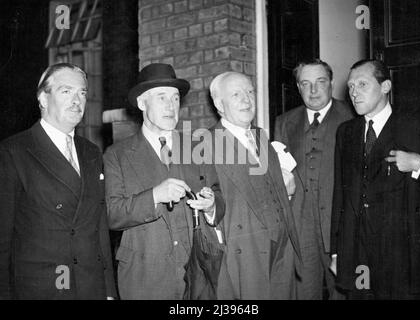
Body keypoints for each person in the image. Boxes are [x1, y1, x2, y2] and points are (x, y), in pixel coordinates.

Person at [103, 63, 224, 300]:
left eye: (175, 98)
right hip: (145, 279)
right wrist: (154, 196)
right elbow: (111, 214)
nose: (171, 106)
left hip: (198, 276)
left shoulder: (197, 147)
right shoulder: (116, 155)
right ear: (141, 103)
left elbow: (219, 196)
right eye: (161, 98)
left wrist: (211, 206)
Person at [0, 63, 117, 300]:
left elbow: (99, 227)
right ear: (43, 99)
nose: (77, 100)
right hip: (41, 289)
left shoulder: (92, 152)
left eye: (82, 93)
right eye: (66, 91)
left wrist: (108, 291)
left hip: (90, 288)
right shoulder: (14, 151)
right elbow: (3, 239)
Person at [331, 59, 420, 299]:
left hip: (401, 254)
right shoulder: (346, 132)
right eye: (351, 86)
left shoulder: (415, 125)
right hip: (358, 252)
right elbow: (340, 194)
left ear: (385, 86)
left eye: (362, 84)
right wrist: (336, 251)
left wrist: (419, 164)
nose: (354, 93)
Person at [208, 71, 301, 299]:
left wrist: (288, 192)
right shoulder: (206, 145)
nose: (247, 100)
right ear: (220, 104)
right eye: (237, 94)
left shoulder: (262, 138)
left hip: (281, 251)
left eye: (250, 92)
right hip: (243, 258)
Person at [274, 59, 354, 299]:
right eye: (305, 84)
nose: (313, 90)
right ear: (298, 88)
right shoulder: (284, 122)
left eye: (320, 82)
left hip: (340, 228)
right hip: (301, 230)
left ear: (331, 83)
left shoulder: (352, 116)